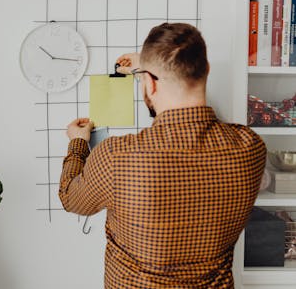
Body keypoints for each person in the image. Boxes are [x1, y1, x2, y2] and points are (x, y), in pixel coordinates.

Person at [59, 22, 266, 288]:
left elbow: (71, 199)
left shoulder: (116, 157)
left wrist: (78, 143)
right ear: (207, 71)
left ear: (150, 83)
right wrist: (153, 69)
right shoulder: (250, 147)